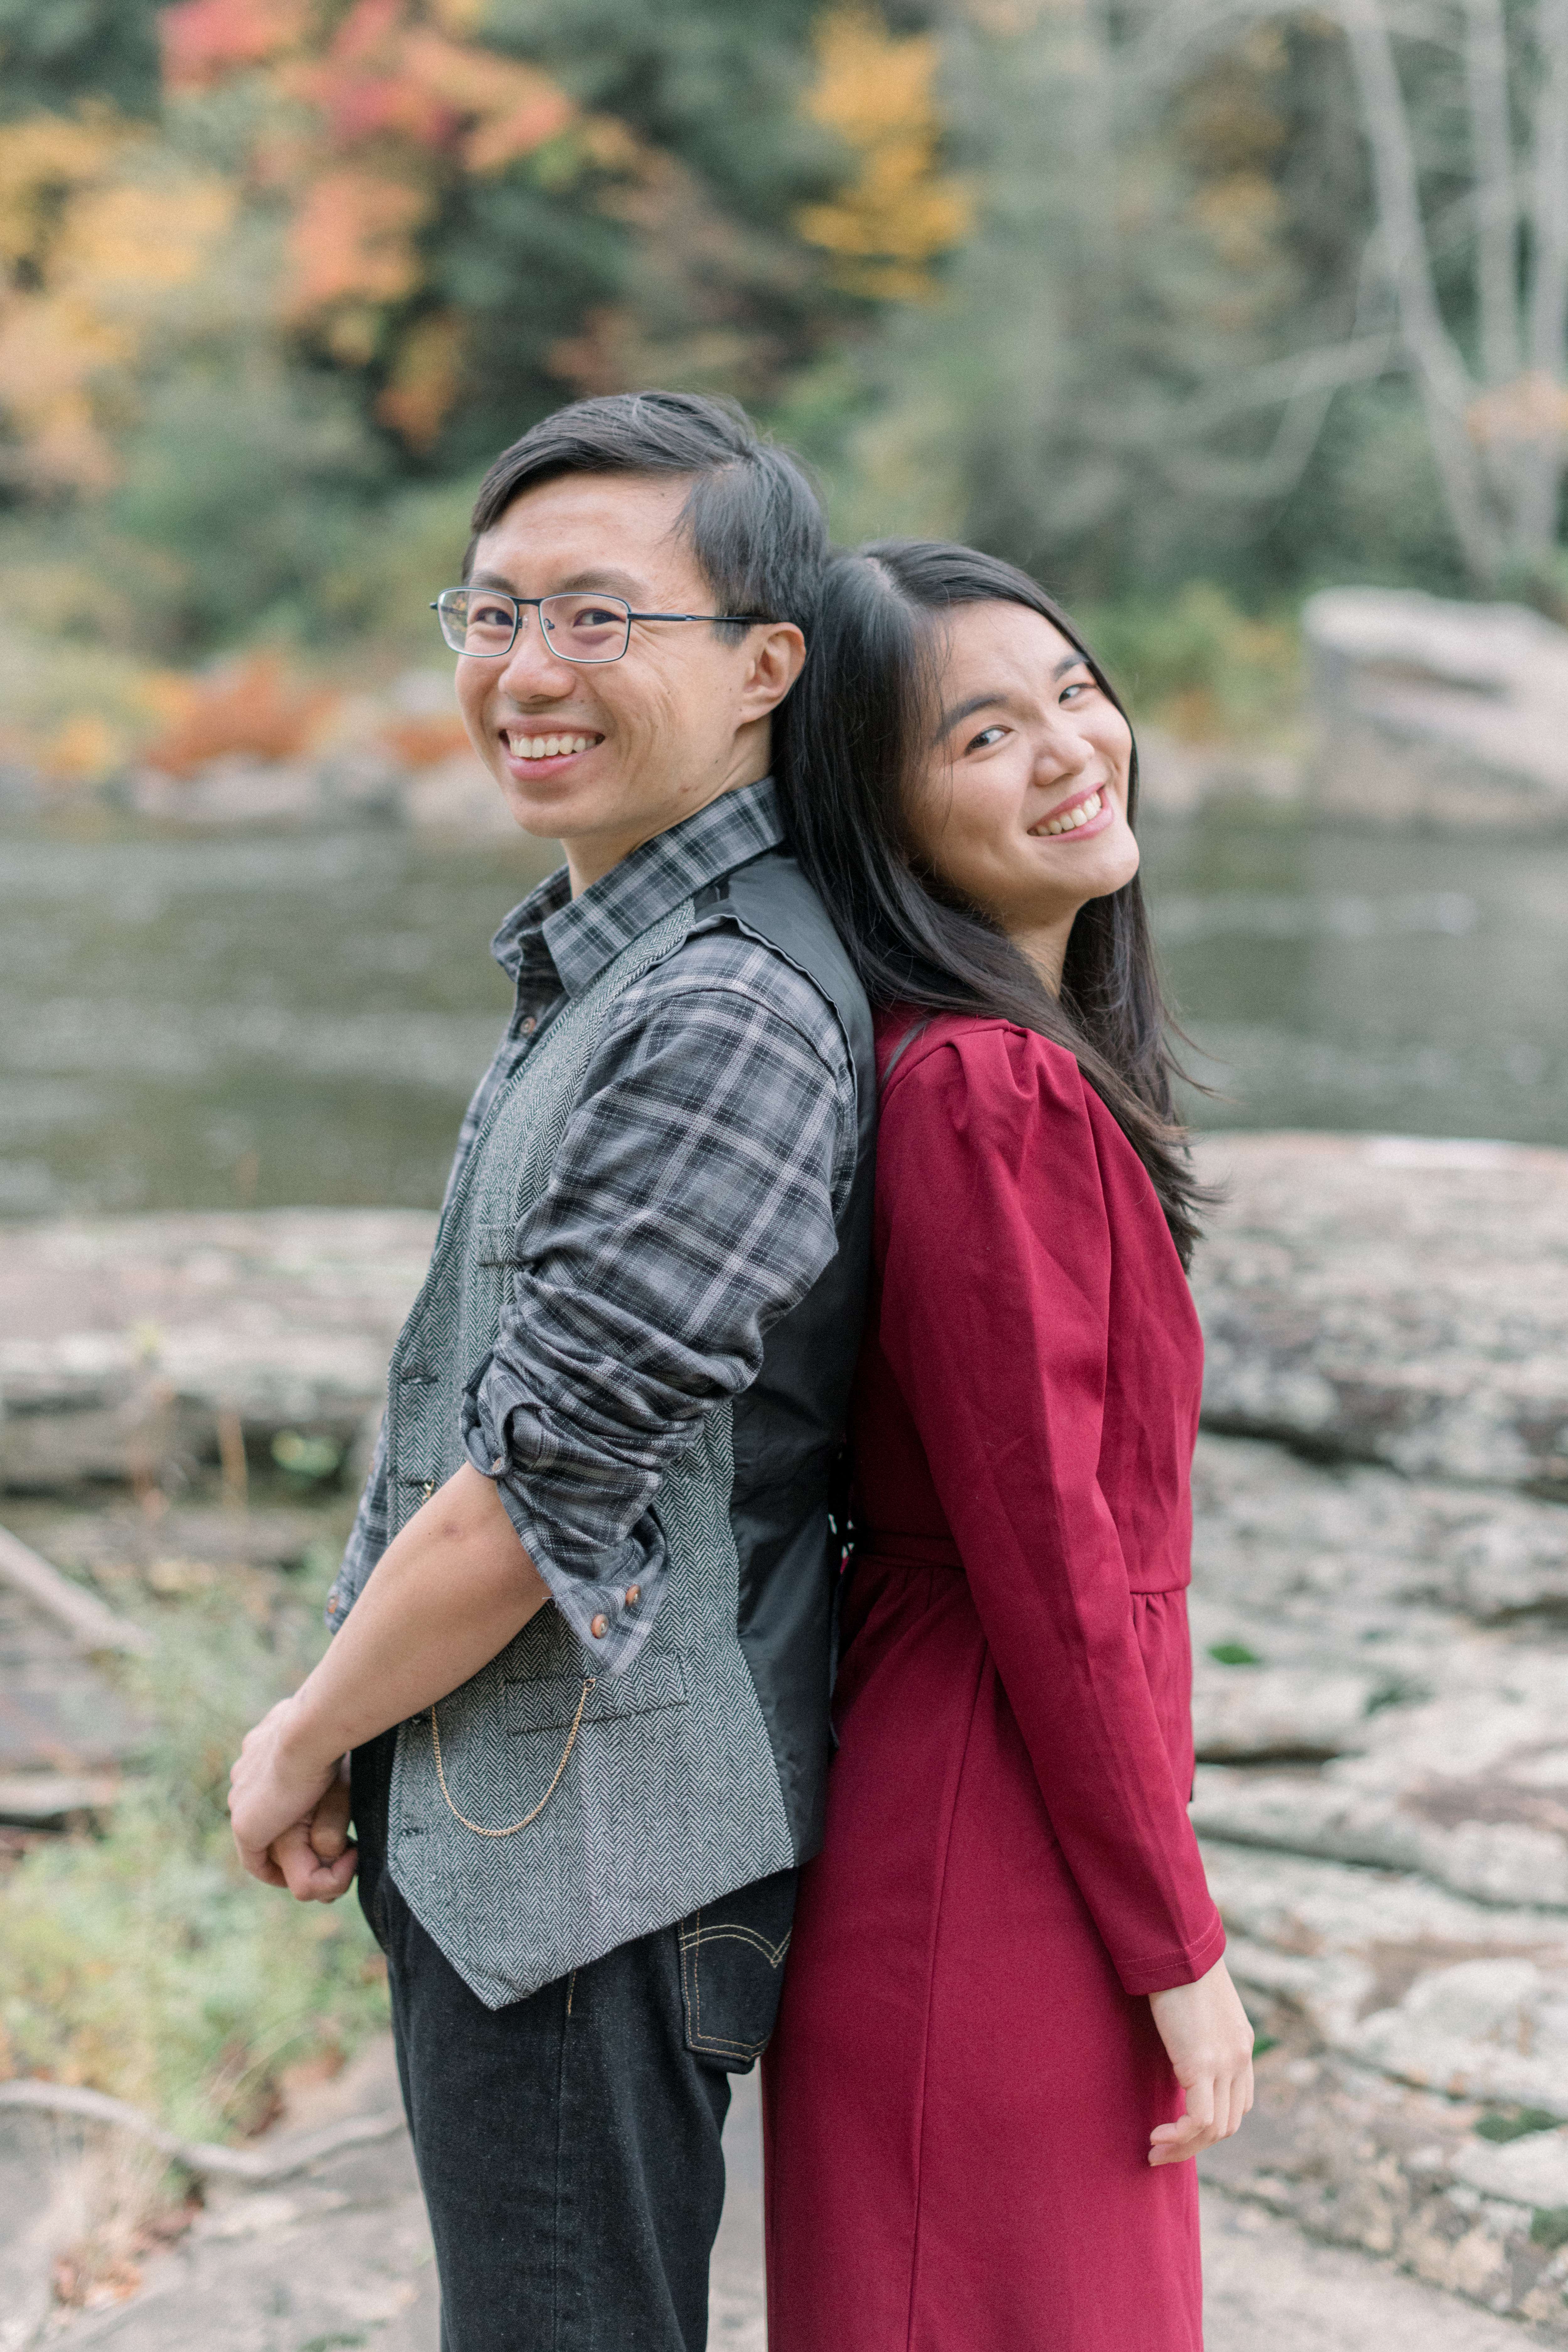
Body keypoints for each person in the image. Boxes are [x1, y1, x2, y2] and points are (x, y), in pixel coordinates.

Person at [226, 391, 876, 2352]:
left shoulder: (729, 1004)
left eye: (598, 618)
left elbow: (542, 1489)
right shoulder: (617, 954)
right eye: (493, 613)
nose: (525, 670)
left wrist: (307, 1727)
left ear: (764, 665)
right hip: (529, 1838)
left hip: (603, 1867)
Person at [764, 540, 1253, 2351]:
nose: (1068, 749)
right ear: (876, 812)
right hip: (988, 1843)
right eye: (982, 734)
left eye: (1072, 690)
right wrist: (1176, 1946)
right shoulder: (983, 1086)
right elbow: (1050, 1567)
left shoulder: (1003, 1064)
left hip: (1008, 1807)